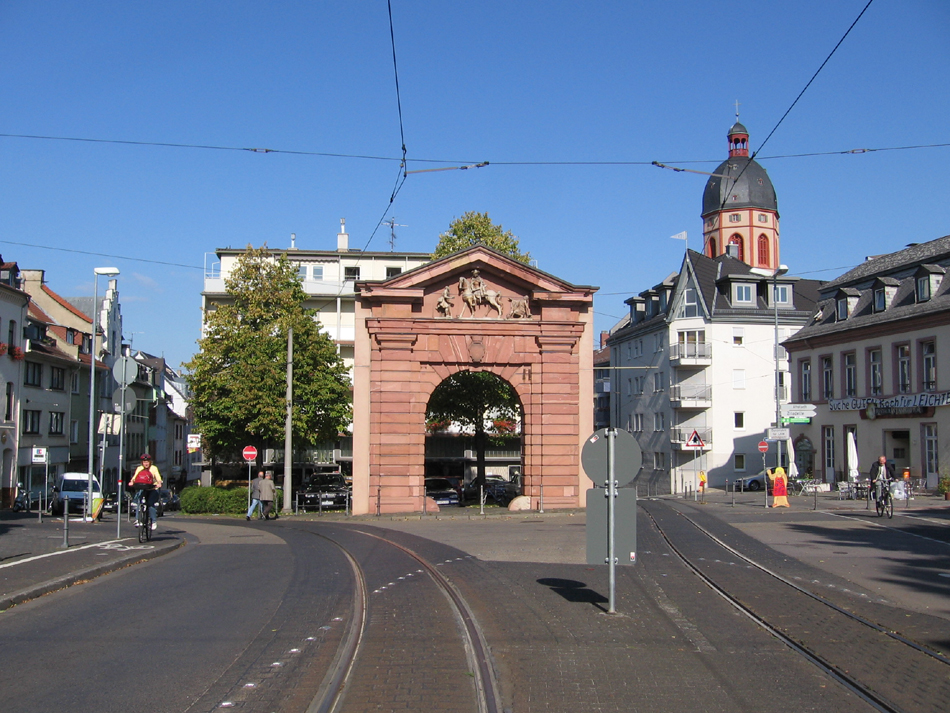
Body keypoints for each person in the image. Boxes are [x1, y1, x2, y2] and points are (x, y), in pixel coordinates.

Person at [128, 453, 162, 531]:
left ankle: (153, 521)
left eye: (147, 462)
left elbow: (158, 477)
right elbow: (135, 477)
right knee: (139, 501)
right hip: (143, 488)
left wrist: (159, 483)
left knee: (150, 504)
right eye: (144, 462)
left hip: (152, 488)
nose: (146, 463)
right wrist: (132, 482)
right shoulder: (139, 468)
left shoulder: (154, 468)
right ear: (142, 463)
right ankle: (138, 520)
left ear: (150, 462)